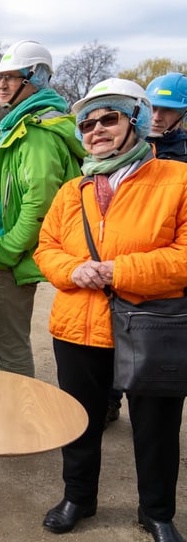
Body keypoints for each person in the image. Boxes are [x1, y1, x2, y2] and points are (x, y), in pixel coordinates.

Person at [34, 78, 187, 541]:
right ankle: (78, 497)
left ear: (135, 121)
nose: (95, 129)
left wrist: (118, 270)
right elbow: (47, 248)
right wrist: (72, 270)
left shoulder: (178, 180)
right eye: (87, 122)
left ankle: (157, 511)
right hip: (78, 325)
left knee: (156, 424)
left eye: (109, 118)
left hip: (150, 324)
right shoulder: (71, 189)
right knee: (80, 420)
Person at [0, 40, 85, 378]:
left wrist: (8, 249)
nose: (2, 85)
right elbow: (17, 182)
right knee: (8, 338)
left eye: (11, 77)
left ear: (37, 78)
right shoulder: (22, 122)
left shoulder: (35, 130)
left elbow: (40, 200)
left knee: (9, 341)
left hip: (12, 252)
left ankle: (16, 417)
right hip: (8, 247)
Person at [105, 72, 187, 427]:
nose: (158, 117)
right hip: (118, 265)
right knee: (111, 338)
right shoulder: (122, 149)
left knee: (154, 348)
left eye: (169, 110)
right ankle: (111, 400)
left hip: (164, 273)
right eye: (155, 108)